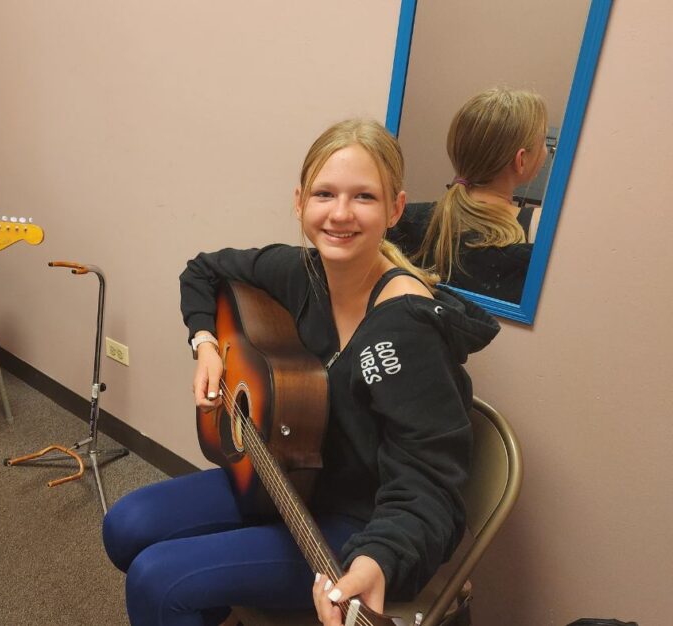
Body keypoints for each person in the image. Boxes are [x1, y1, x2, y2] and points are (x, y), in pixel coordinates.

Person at [101, 119, 499, 626]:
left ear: (396, 209)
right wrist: (206, 346)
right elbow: (203, 270)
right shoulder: (303, 273)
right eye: (324, 194)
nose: (339, 214)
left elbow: (431, 482)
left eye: (364, 198)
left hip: (360, 525)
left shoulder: (408, 329)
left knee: (158, 579)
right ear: (299, 202)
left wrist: (378, 559)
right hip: (289, 476)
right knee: (124, 526)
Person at [390, 87, 549, 303]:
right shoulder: (542, 229)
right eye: (543, 143)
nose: (546, 151)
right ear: (521, 160)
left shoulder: (402, 219)